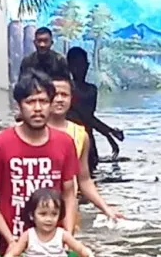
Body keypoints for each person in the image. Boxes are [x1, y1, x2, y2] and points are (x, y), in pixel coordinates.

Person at [0, 70, 80, 256]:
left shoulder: (65, 142)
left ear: (51, 104)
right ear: (19, 106)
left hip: (55, 246)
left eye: (44, 101)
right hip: (13, 245)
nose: (38, 108)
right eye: (30, 102)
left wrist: (68, 239)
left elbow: (70, 193)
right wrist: (11, 240)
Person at [47, 71, 124, 229]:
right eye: (55, 95)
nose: (60, 99)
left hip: (68, 211)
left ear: (71, 99)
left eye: (65, 95)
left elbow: (84, 180)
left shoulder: (80, 135)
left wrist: (106, 209)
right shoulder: (32, 131)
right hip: (36, 210)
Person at [2, 188, 97, 257]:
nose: (49, 219)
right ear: (32, 215)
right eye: (43, 214)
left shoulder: (62, 234)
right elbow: (12, 253)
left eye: (54, 214)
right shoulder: (28, 235)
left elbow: (81, 249)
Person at [66, 47, 124, 174]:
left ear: (87, 65)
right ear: (69, 66)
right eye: (76, 65)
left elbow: (89, 117)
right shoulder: (65, 90)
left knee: (91, 176)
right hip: (70, 140)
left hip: (88, 140)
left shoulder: (91, 90)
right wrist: (109, 133)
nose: (80, 69)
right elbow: (84, 116)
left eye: (83, 65)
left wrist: (109, 133)